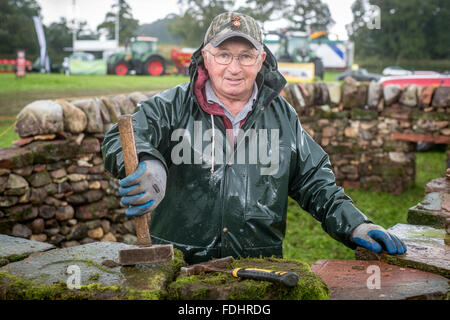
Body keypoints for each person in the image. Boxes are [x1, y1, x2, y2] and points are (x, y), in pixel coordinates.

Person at [102, 12, 407, 264]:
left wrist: (355, 223)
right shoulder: (172, 106)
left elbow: (316, 182)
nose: (234, 68)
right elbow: (119, 136)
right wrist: (147, 161)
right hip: (179, 265)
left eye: (245, 56)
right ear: (206, 57)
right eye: (223, 55)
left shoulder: (283, 117)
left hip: (257, 270)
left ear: (261, 59)